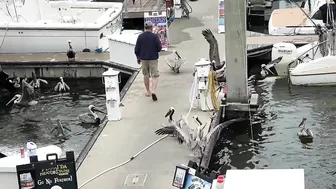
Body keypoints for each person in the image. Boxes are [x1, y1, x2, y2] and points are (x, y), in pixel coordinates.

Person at [134, 21, 162, 101]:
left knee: (146, 75)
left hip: (143, 59)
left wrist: (138, 57)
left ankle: (148, 91)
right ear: (151, 27)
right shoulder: (155, 37)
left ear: (145, 28)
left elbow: (136, 50)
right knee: (155, 76)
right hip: (153, 58)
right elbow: (159, 48)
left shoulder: (140, 36)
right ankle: (153, 91)